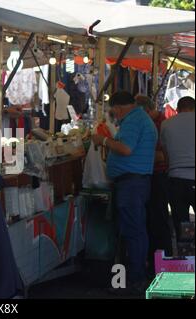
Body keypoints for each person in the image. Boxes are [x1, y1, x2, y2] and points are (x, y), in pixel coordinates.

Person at [92, 91, 157, 294]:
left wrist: (102, 140)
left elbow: (126, 148)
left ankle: (134, 280)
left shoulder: (133, 120)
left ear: (118, 108)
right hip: (135, 183)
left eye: (114, 111)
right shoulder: (140, 118)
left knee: (133, 231)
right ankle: (136, 276)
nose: (114, 115)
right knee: (135, 230)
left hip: (132, 184)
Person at [136, 95, 173, 266]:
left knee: (158, 217)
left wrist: (137, 155)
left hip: (159, 175)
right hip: (149, 174)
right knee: (150, 217)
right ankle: (153, 259)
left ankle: (163, 260)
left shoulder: (162, 125)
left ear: (147, 111)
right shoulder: (150, 123)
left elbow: (163, 156)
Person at [160, 96, 195, 242]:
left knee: (182, 224)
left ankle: (186, 257)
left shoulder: (166, 124)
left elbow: (165, 154)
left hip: (176, 178)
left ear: (177, 109)